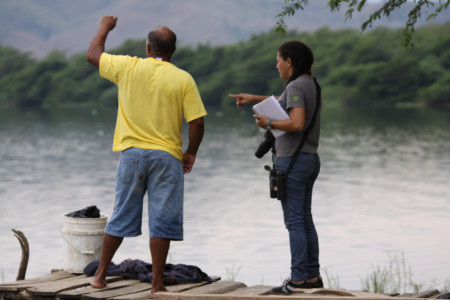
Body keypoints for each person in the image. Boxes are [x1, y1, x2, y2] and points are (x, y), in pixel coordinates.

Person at [86, 16, 206, 298]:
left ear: (148, 48)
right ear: (172, 51)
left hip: (132, 156)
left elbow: (92, 55)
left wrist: (105, 27)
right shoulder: (183, 78)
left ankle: (100, 277)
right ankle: (156, 285)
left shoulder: (128, 67)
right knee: (162, 221)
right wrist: (190, 153)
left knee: (121, 215)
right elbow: (197, 123)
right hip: (167, 158)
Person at [229, 41, 323, 295]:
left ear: (289, 61)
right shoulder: (309, 84)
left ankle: (298, 280)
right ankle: (311, 276)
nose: (276, 65)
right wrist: (254, 98)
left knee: (294, 222)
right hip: (309, 159)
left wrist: (268, 123)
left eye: (279, 60)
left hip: (292, 160)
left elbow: (297, 122)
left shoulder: (294, 86)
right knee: (304, 219)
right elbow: (290, 103)